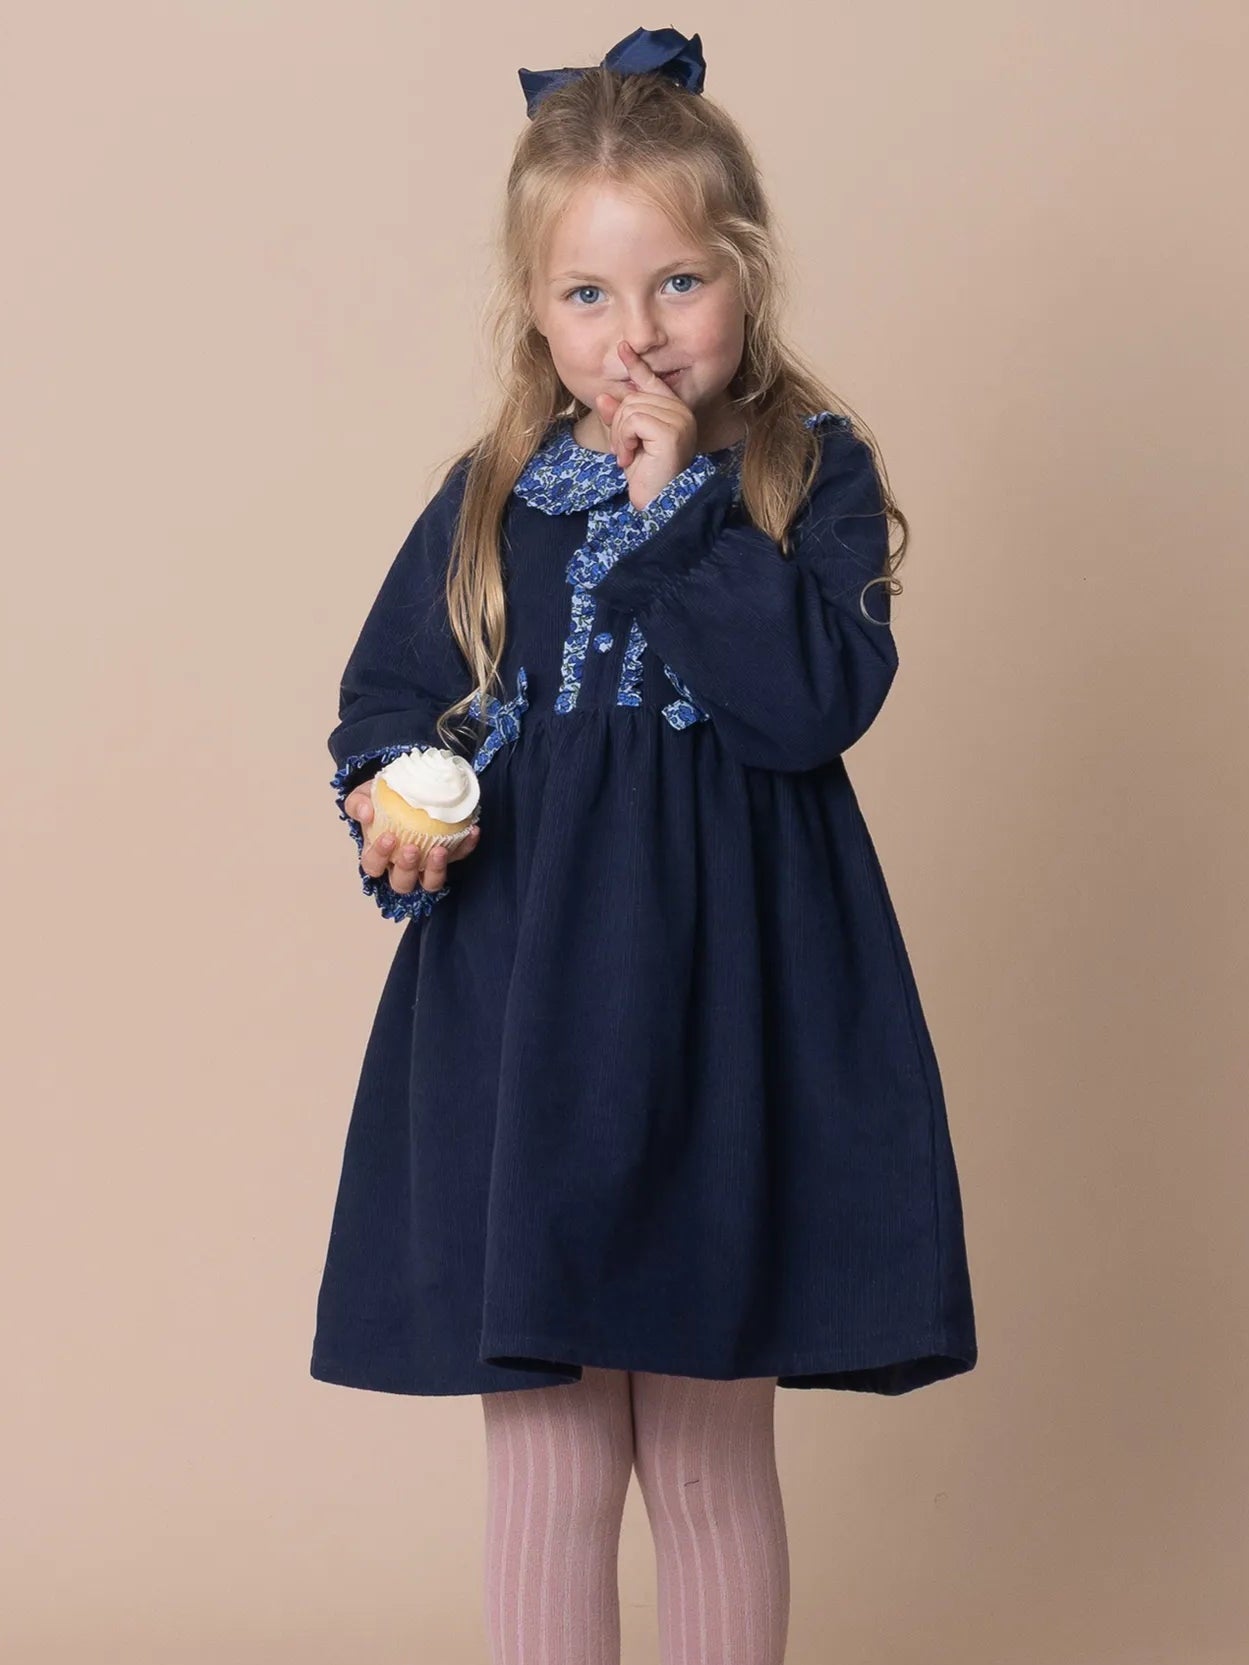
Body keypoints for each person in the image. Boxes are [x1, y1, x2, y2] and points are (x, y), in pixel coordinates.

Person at [309, 24, 978, 1664]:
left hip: (722, 1013)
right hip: (527, 1014)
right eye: (589, 297)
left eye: (676, 285)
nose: (636, 335)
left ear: (743, 277)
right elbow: (392, 698)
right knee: (543, 1454)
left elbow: (810, 701)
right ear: (534, 311)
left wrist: (681, 514)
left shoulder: (798, 474)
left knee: (701, 1444)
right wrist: (400, 794)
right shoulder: (491, 493)